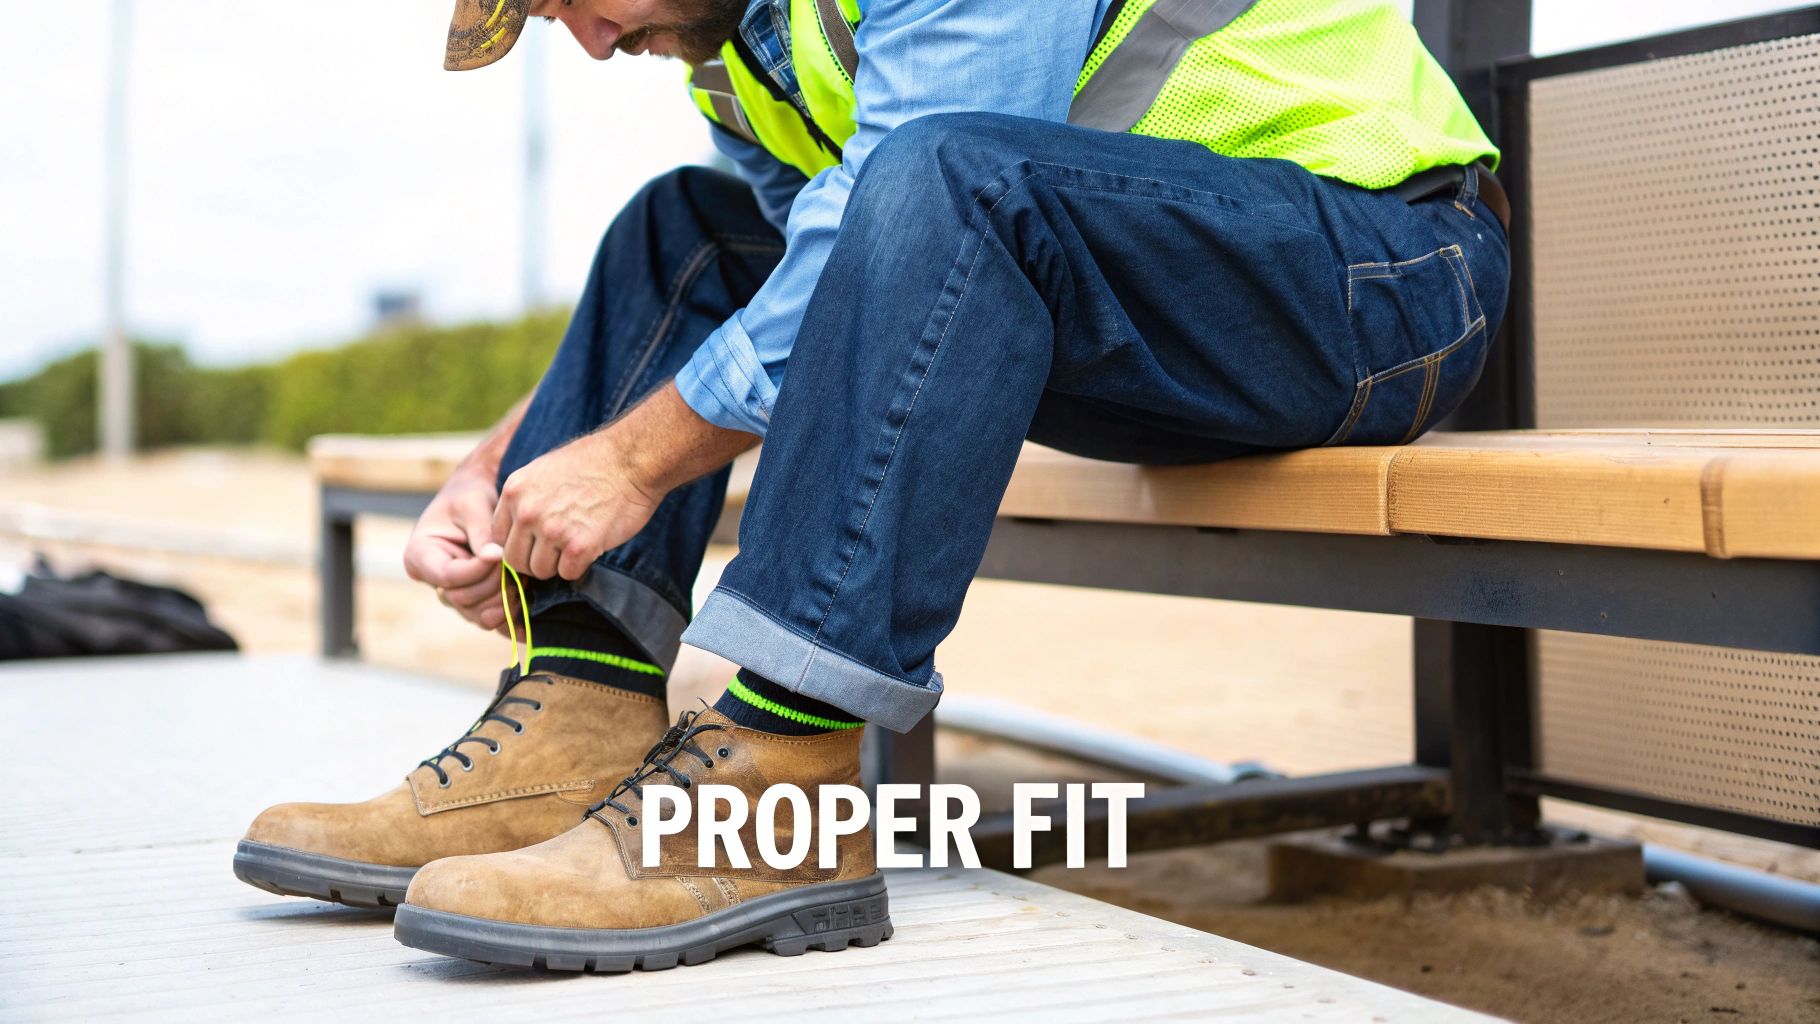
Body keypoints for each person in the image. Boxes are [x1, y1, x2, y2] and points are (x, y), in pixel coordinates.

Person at [236, 0, 1510, 970]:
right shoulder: (744, 46)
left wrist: (627, 460)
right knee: (681, 232)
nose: (578, 40)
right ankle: (576, 718)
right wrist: (505, 464)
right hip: (1153, 306)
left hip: (1371, 281)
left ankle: (778, 777)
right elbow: (805, 272)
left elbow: (913, 205)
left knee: (944, 179)